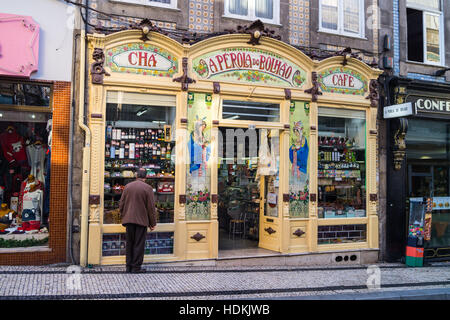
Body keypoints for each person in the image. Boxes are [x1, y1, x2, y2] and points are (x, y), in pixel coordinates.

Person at [119, 168, 157, 273]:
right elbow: (151, 208)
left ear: (136, 176)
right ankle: (136, 267)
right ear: (145, 177)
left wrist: (123, 215)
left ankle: (128, 266)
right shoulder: (148, 188)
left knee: (129, 243)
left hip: (128, 220)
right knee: (138, 245)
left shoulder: (127, 187)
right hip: (141, 221)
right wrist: (152, 223)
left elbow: (121, 204)